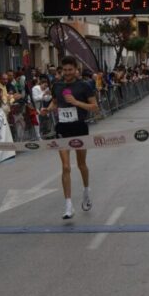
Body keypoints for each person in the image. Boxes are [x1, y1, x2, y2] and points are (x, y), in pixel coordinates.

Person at [42, 56, 97, 219]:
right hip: (62, 128)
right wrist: (48, 109)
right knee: (65, 167)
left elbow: (95, 108)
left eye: (70, 70)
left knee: (81, 164)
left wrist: (76, 102)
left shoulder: (85, 86)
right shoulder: (57, 85)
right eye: (64, 70)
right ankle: (68, 205)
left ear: (76, 69)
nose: (67, 73)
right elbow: (55, 102)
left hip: (79, 127)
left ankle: (86, 191)